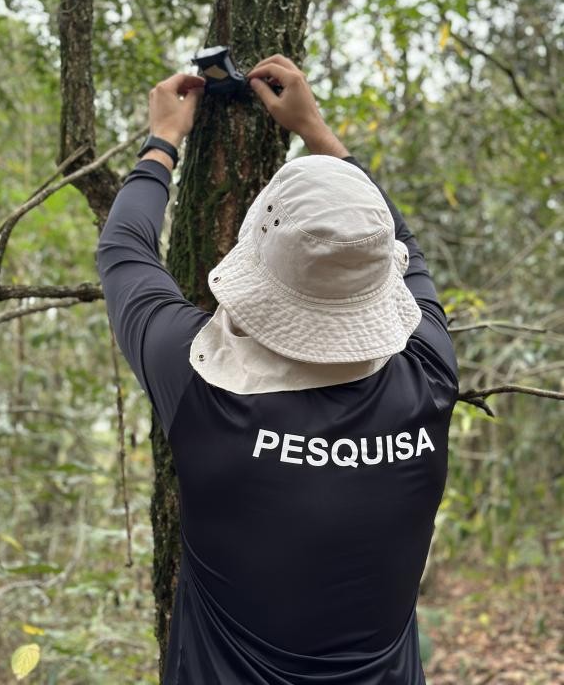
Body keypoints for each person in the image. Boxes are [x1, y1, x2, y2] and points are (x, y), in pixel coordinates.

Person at [96, 54, 459, 684]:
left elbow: (124, 250)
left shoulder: (201, 383)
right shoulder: (428, 373)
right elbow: (406, 248)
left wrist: (162, 141)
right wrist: (316, 130)